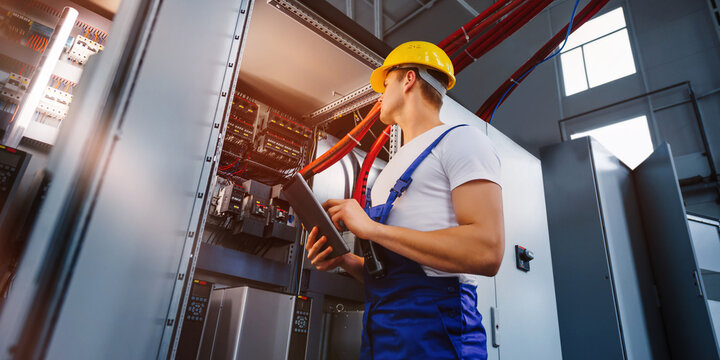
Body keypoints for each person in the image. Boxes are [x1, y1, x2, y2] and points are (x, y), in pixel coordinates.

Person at [306, 41, 504, 360]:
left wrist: (372, 229)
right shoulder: (389, 172)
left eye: (386, 84)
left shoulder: (463, 141)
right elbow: (394, 274)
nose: (380, 95)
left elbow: (487, 250)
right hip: (384, 335)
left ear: (408, 79)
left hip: (438, 336)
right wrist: (345, 260)